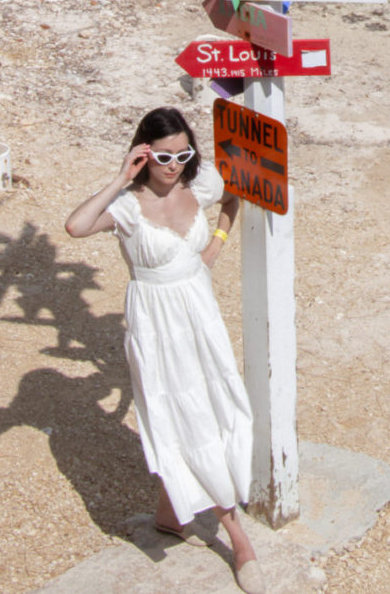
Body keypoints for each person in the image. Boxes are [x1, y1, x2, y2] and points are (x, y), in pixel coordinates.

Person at [65, 106, 264, 593]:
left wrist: (215, 244)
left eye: (183, 154)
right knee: (187, 417)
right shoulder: (128, 207)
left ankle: (171, 515)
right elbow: (76, 226)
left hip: (201, 315)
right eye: (162, 156)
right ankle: (239, 540)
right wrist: (120, 178)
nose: (173, 164)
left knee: (214, 408)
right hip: (156, 326)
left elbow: (240, 189)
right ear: (143, 153)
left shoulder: (199, 186)